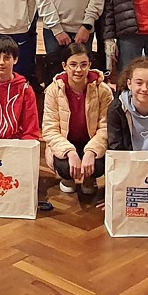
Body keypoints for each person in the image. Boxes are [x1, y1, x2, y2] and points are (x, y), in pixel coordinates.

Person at [43, 44, 113, 195]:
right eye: (73, 65)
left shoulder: (103, 90)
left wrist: (91, 151)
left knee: (99, 165)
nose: (78, 70)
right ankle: (67, 178)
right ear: (64, 66)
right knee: (65, 167)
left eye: (83, 65)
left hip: (91, 140)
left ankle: (90, 178)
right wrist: (69, 152)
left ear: (90, 65)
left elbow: (106, 127)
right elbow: (50, 129)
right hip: (66, 140)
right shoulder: (53, 90)